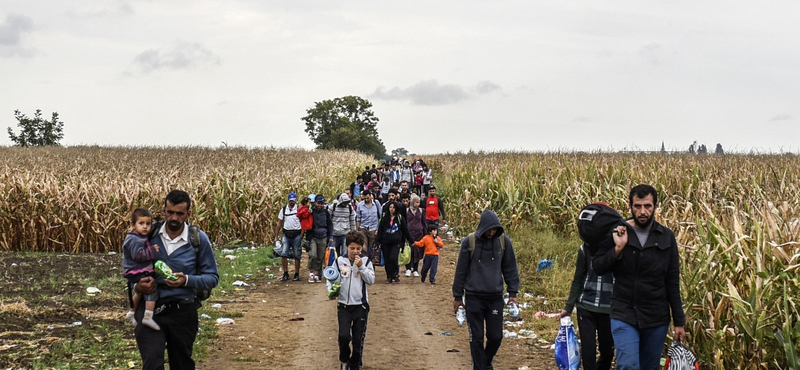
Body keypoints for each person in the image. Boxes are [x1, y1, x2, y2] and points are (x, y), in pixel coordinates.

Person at [593, 184, 686, 370]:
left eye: (647, 206)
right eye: (637, 206)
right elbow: (598, 267)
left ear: (655, 207)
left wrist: (679, 322)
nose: (642, 211)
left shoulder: (666, 237)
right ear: (630, 207)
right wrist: (618, 249)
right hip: (624, 313)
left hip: (656, 317)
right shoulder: (618, 232)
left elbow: (672, 281)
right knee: (628, 365)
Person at [133, 190, 219, 370]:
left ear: (188, 214)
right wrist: (138, 284)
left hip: (183, 311)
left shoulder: (198, 239)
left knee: (181, 363)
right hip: (150, 309)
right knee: (152, 363)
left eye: (180, 214)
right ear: (163, 211)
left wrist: (186, 280)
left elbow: (212, 277)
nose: (174, 217)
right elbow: (130, 269)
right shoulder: (148, 235)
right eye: (170, 212)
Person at [452, 210, 520, 370]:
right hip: (474, 297)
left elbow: (510, 268)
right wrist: (457, 297)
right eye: (489, 229)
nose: (491, 232)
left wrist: (513, 293)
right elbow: (460, 271)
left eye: (494, 229)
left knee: (495, 337)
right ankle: (480, 367)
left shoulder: (503, 242)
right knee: (476, 338)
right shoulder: (469, 242)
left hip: (495, 298)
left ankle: (486, 362)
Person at [561, 243, 615, 370]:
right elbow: (578, 279)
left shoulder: (618, 248)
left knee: (607, 351)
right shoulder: (584, 249)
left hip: (609, 308)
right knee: (588, 350)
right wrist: (568, 306)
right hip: (586, 306)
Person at [329, 230, 375, 370]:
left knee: (357, 339)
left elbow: (371, 280)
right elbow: (332, 279)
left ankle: (355, 364)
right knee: (344, 336)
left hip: (360, 306)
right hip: (343, 306)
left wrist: (361, 266)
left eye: (358, 249)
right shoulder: (339, 262)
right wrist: (332, 291)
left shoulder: (366, 261)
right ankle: (344, 360)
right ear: (346, 247)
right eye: (352, 248)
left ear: (362, 248)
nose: (355, 251)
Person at [122, 208, 161, 331]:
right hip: (136, 270)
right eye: (141, 223)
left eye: (148, 224)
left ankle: (131, 313)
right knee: (151, 288)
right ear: (133, 225)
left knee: (140, 292)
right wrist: (152, 251)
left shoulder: (137, 237)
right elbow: (138, 256)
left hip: (135, 270)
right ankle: (148, 316)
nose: (145, 227)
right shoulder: (135, 239)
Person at [375, 201, 413, 284]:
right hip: (385, 242)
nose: (391, 209)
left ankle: (395, 274)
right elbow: (380, 230)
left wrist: (411, 240)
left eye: (393, 207)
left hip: (396, 242)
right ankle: (389, 276)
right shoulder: (384, 218)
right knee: (387, 259)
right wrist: (377, 241)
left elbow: (405, 230)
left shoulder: (400, 218)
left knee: (394, 258)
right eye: (390, 207)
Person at [275, 192, 303, 282]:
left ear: (295, 200)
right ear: (288, 200)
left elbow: (303, 223)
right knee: (283, 254)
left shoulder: (299, 209)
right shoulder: (284, 210)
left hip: (296, 235)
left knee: (297, 255)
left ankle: (296, 274)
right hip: (286, 235)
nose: (292, 202)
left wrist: (301, 235)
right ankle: (285, 273)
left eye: (293, 201)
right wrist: (276, 236)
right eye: (290, 201)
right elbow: (279, 222)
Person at [307, 195, 333, 283]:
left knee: (320, 256)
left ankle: (317, 274)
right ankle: (311, 273)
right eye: (319, 203)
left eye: (322, 203)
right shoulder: (311, 212)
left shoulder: (326, 213)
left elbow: (330, 225)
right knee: (312, 255)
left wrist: (330, 236)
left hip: (323, 237)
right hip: (313, 237)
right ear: (315, 203)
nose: (320, 205)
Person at [403, 194, 426, 277]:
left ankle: (415, 269)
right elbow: (404, 223)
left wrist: (425, 235)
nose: (418, 204)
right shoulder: (406, 211)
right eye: (416, 202)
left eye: (419, 202)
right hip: (409, 234)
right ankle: (408, 268)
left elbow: (424, 223)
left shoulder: (421, 211)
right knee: (408, 251)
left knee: (417, 251)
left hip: (419, 234)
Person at [331, 193, 357, 257]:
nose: (345, 204)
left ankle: (344, 266)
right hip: (334, 234)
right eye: (344, 202)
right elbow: (328, 220)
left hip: (346, 234)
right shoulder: (333, 207)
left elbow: (352, 221)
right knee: (333, 253)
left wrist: (353, 233)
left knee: (345, 252)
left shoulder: (350, 208)